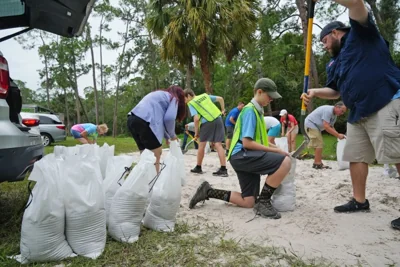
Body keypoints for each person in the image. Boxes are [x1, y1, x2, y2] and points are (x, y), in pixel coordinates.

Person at [300, 0, 400, 230]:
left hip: (385, 101)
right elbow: (335, 92)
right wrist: (315, 91)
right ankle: (359, 200)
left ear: (335, 32)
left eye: (324, 40)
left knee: (397, 154)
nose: (324, 46)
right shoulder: (334, 63)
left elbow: (355, 3)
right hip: (358, 112)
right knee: (355, 156)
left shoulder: (361, 33)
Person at [188, 78, 291, 219]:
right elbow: (247, 143)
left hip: (241, 156)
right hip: (243, 154)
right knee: (285, 162)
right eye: (270, 96)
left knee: (248, 201)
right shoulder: (250, 111)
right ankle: (264, 201)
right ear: (259, 92)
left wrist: (276, 148)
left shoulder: (257, 111)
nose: (271, 100)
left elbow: (261, 141)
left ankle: (208, 192)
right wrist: (277, 152)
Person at [127, 85, 186, 173]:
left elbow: (160, 119)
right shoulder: (174, 98)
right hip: (145, 121)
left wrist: (167, 136)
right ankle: (153, 183)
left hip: (131, 119)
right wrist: (173, 136)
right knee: (156, 154)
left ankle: (142, 181)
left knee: (145, 155)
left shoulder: (159, 95)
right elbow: (169, 118)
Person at [183, 89, 228, 177]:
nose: (184, 102)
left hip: (207, 122)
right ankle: (223, 169)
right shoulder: (205, 96)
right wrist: (223, 110)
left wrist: (196, 132)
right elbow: (221, 99)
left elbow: (196, 119)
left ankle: (198, 167)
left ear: (188, 96)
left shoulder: (191, 103)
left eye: (184, 99)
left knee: (202, 145)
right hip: (218, 119)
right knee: (218, 144)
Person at [305, 101, 347, 169]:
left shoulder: (334, 115)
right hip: (311, 123)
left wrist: (337, 135)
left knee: (318, 144)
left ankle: (317, 163)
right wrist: (338, 135)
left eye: (343, 112)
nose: (342, 113)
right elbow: (326, 127)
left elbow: (331, 126)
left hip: (316, 126)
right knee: (319, 143)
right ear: (336, 107)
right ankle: (317, 163)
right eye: (342, 111)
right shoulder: (328, 111)